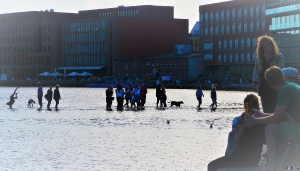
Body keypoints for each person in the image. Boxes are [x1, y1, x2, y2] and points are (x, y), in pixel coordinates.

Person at [244, 66, 300, 171]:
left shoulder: (284, 90)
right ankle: (281, 163)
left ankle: (272, 167)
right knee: (277, 127)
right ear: (282, 76)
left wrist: (254, 121)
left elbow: (275, 119)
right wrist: (262, 114)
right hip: (296, 125)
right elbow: (280, 116)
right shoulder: (291, 86)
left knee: (270, 128)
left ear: (269, 83)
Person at [208, 94, 265, 171]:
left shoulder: (245, 119)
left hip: (241, 158)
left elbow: (236, 140)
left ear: (245, 106)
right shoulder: (262, 120)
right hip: (255, 160)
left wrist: (241, 128)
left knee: (211, 166)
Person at [253, 35, 284, 113]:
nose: (267, 48)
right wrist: (256, 84)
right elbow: (256, 71)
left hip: (276, 87)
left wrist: (270, 60)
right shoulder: (258, 58)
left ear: (272, 45)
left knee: (276, 110)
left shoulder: (279, 57)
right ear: (262, 48)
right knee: (266, 110)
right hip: (264, 87)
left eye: (269, 45)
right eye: (265, 46)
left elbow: (280, 71)